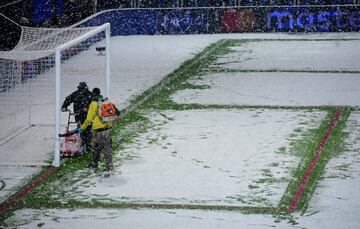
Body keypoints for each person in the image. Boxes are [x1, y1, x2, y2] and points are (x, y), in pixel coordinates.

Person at [79, 88, 121, 171]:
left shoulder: (93, 104)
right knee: (107, 148)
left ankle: (94, 165)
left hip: (98, 130)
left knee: (96, 148)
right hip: (108, 128)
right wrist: (112, 122)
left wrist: (82, 128)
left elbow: (89, 119)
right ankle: (109, 166)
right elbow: (117, 113)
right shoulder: (105, 101)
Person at [61, 82, 93, 152]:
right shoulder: (75, 94)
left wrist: (87, 108)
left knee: (87, 130)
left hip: (87, 116)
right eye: (79, 89)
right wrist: (64, 106)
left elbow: (94, 104)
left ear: (85, 89)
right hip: (78, 115)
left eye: (82, 90)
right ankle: (80, 143)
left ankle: (88, 145)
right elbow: (68, 99)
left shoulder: (90, 95)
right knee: (80, 129)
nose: (80, 91)